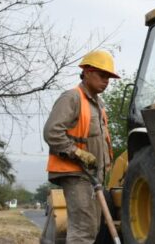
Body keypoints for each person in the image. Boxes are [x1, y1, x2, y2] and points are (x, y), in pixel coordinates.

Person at [44, 49, 120, 243]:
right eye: (102, 75)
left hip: (93, 178)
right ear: (87, 72)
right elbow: (52, 132)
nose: (106, 81)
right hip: (76, 173)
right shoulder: (72, 98)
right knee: (83, 230)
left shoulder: (99, 105)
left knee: (92, 228)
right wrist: (76, 152)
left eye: (109, 78)